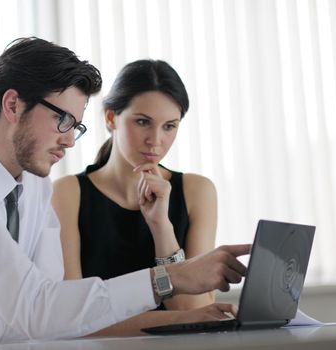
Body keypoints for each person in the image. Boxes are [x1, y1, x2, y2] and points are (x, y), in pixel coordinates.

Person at [0, 37, 249, 349]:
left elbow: (55, 309)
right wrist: (170, 278)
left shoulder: (34, 186)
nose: (71, 141)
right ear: (12, 105)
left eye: (76, 126)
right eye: (62, 120)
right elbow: (39, 309)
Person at [52, 59, 228, 336]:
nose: (155, 140)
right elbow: (72, 319)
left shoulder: (197, 191)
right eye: (143, 122)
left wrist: (161, 227)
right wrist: (181, 320)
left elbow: (195, 312)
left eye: (169, 126)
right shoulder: (67, 193)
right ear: (111, 118)